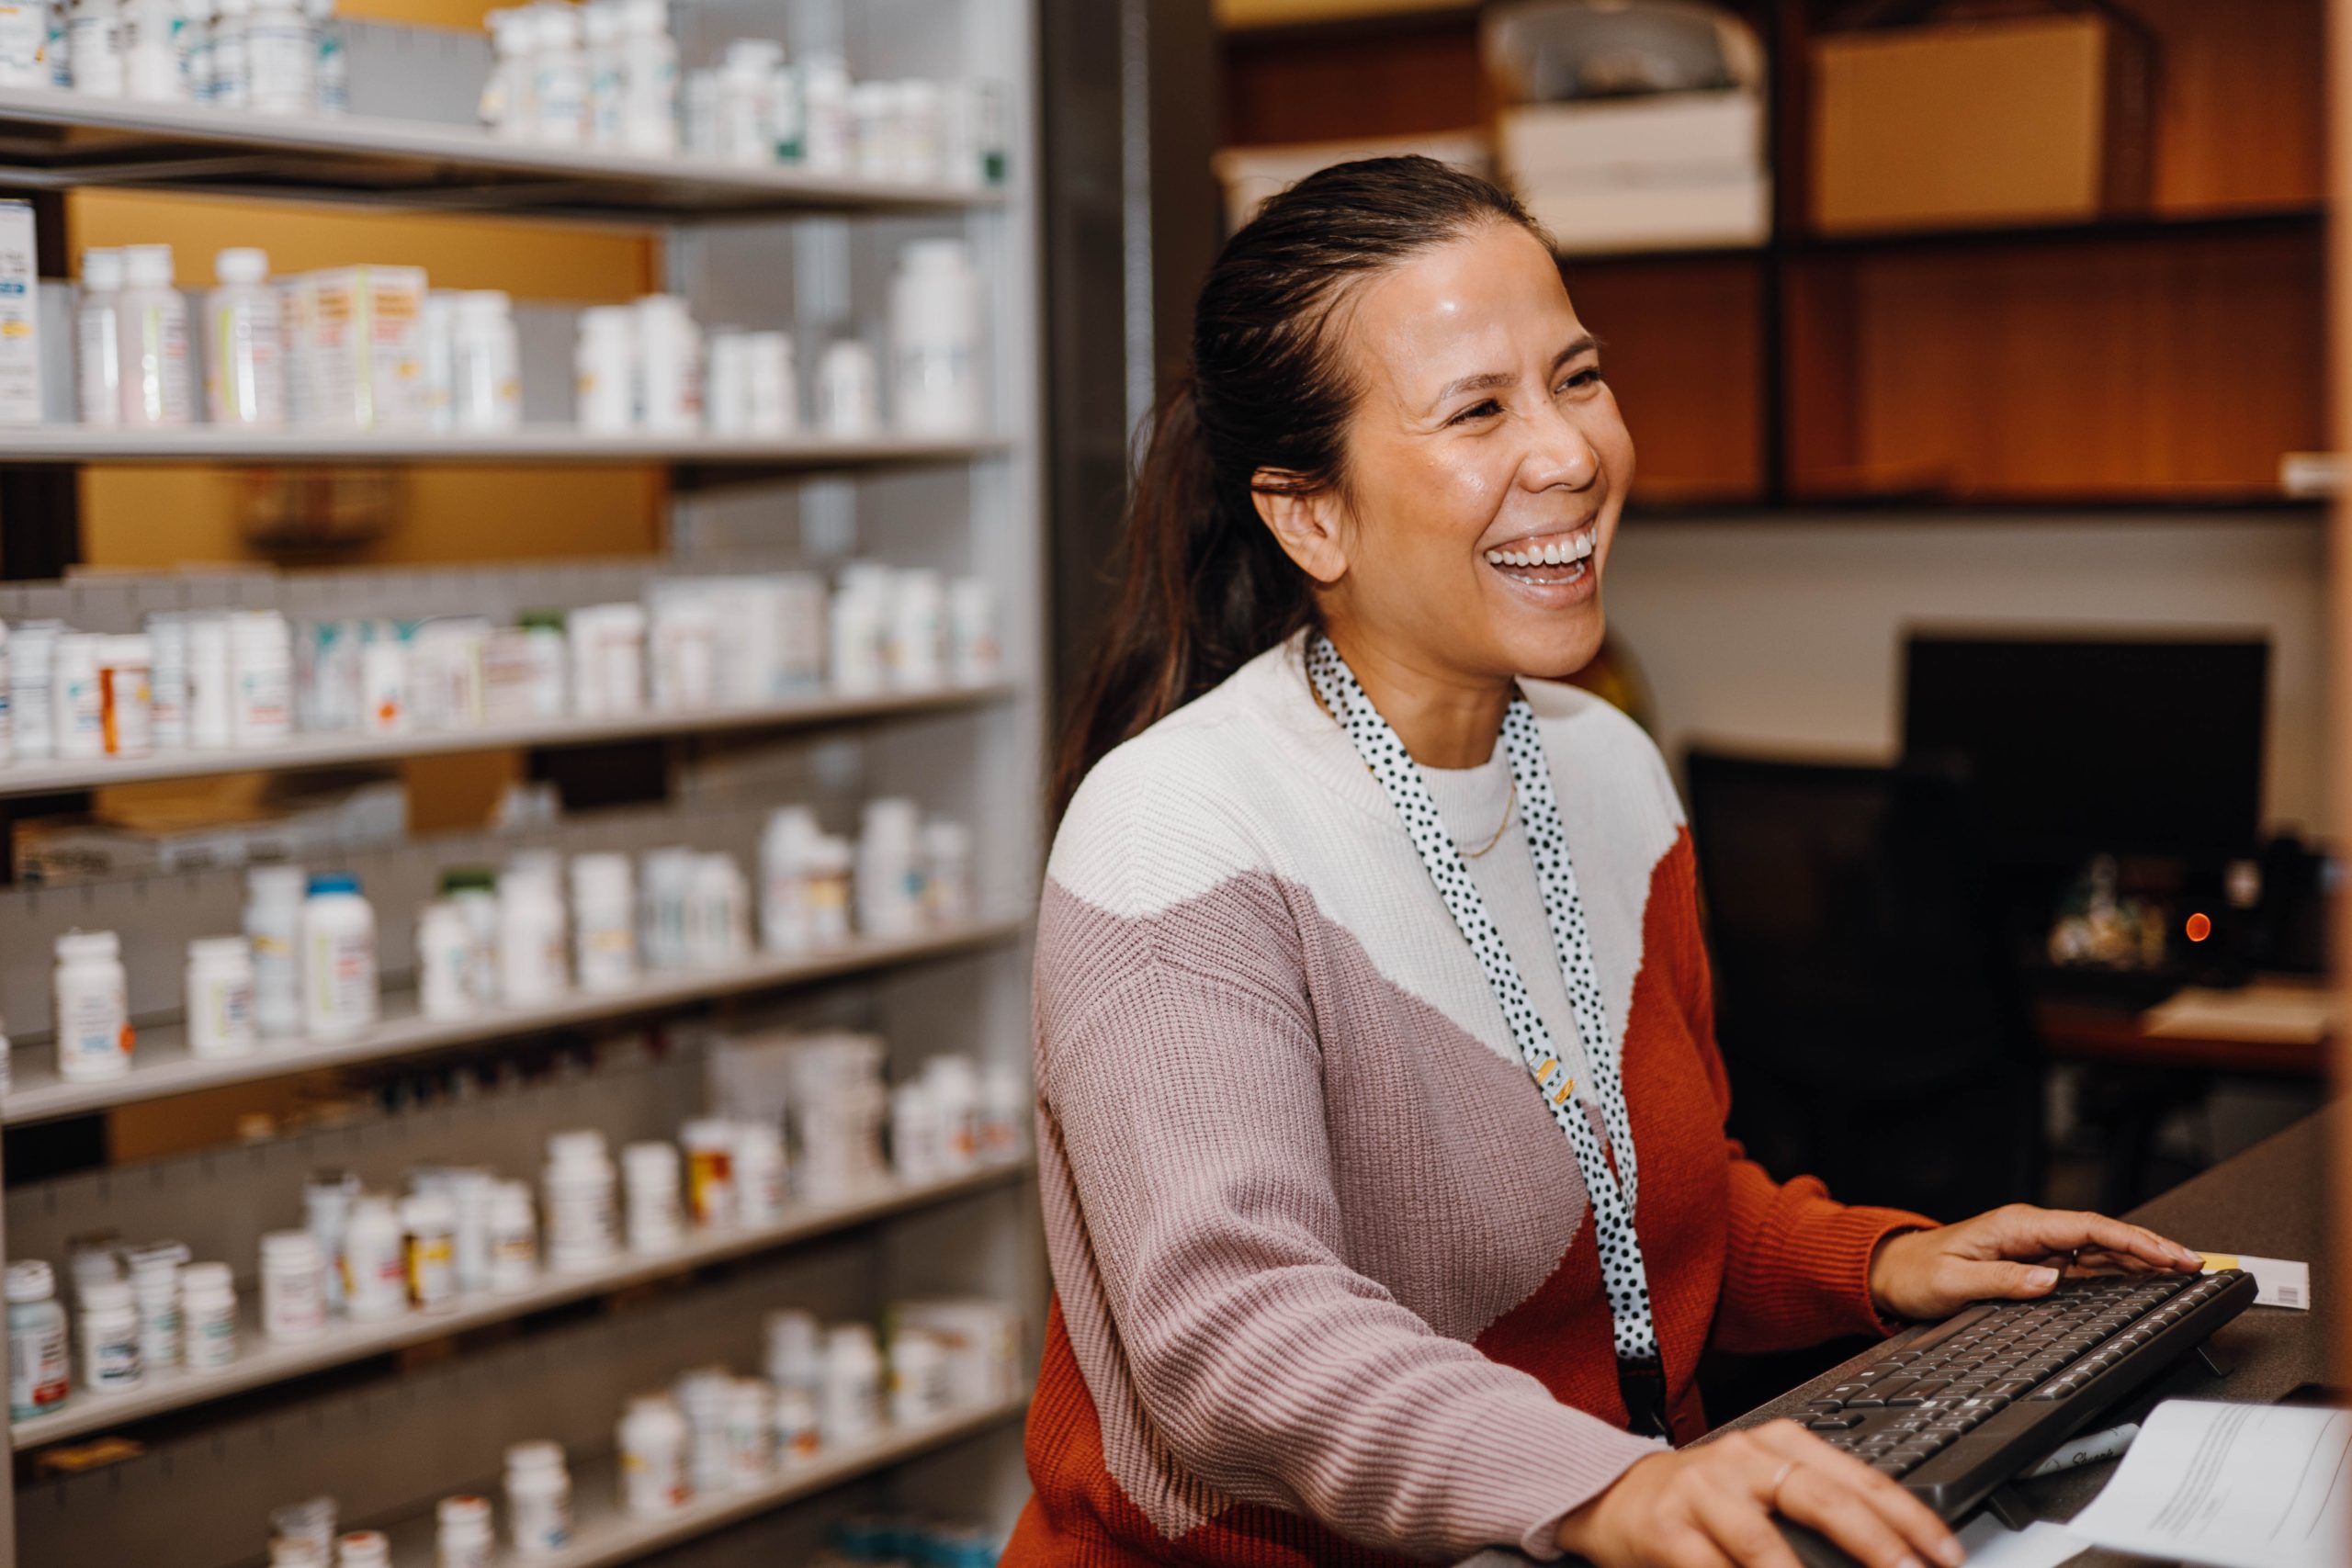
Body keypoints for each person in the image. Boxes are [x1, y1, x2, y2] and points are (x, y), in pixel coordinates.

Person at [1013, 157, 2203, 1568]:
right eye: (1479, 409)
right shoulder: (1177, 834)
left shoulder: (1609, 769)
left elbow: (1640, 1210)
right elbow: (1231, 1336)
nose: (1571, 452)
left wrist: (1879, 1262)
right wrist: (1608, 1487)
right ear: (1308, 514)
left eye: (1577, 378)